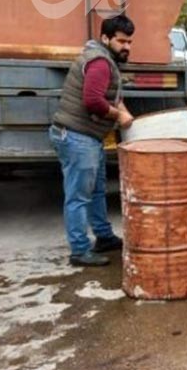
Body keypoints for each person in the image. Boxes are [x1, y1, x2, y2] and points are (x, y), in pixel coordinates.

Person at [49, 15, 135, 267]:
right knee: (79, 196)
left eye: (130, 41)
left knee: (96, 190)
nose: (127, 46)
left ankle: (104, 236)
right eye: (121, 41)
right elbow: (93, 101)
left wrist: (124, 110)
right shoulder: (99, 62)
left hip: (88, 136)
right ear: (106, 38)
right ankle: (79, 250)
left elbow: (111, 94)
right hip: (77, 136)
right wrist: (119, 115)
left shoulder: (104, 58)